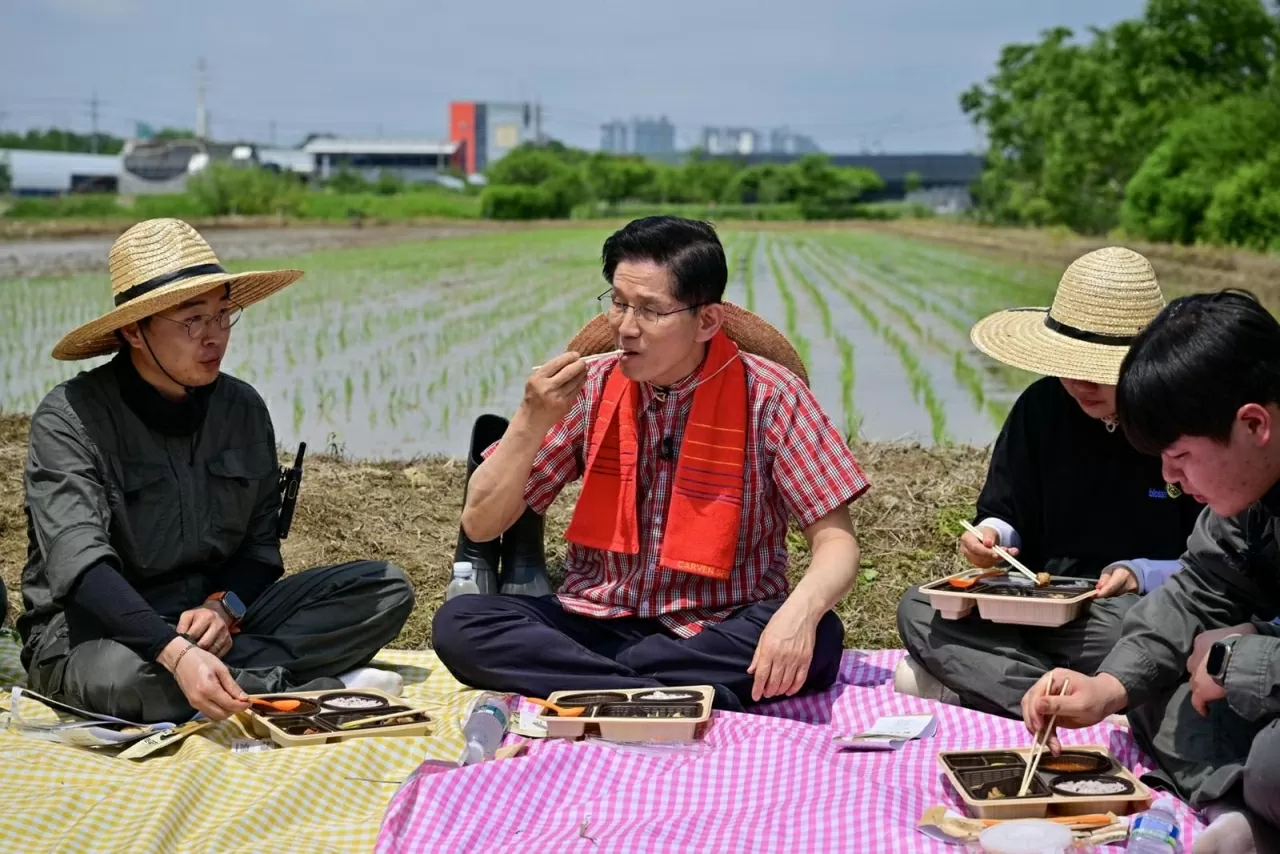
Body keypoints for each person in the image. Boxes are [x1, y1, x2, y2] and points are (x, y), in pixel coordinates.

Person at [432, 216, 870, 711]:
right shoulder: (589, 386)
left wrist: (799, 615)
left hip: (721, 624)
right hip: (596, 621)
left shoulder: (771, 395)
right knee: (460, 625)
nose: (625, 327)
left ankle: (607, 689)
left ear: (706, 320)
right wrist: (530, 420)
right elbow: (482, 523)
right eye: (618, 303)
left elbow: (837, 543)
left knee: (822, 638)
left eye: (649, 311)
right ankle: (674, 696)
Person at [18, 218, 415, 725]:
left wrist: (222, 606)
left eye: (223, 315)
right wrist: (175, 652)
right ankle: (319, 688)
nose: (215, 337)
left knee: (385, 590)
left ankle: (224, 676)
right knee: (128, 681)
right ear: (133, 330)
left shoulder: (242, 408)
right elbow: (83, 572)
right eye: (192, 320)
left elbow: (259, 552)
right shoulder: (71, 417)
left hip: (211, 625)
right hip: (97, 632)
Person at [895, 247, 1203, 720]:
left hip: (1124, 609)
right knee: (921, 609)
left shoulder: (1186, 423)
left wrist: (1141, 572)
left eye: (1099, 368)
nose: (1080, 381)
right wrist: (993, 536)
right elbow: (1007, 510)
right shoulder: (1040, 408)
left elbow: (1215, 566)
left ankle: (993, 687)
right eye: (1068, 363)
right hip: (1034, 601)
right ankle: (1054, 700)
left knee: (1138, 631)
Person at [1021, 291, 1280, 854]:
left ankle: (1249, 810)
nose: (1171, 479)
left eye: (1181, 457)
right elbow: (1201, 588)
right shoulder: (1250, 497)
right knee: (1154, 695)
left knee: (1273, 765)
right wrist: (1107, 687)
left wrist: (1249, 658)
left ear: (1254, 424)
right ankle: (1239, 818)